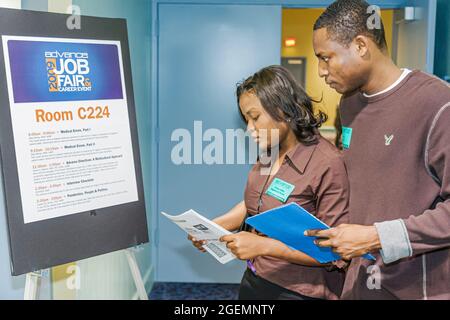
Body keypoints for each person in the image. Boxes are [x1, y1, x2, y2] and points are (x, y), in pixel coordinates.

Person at [306, 0, 450, 299]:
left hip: (415, 288)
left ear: (360, 45)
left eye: (326, 58)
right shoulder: (349, 104)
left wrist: (376, 237)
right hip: (361, 281)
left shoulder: (436, 103)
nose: (321, 71)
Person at [189, 65, 349, 300]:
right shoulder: (270, 151)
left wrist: (263, 246)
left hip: (299, 291)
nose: (249, 129)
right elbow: (255, 203)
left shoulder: (328, 163)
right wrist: (217, 226)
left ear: (283, 109)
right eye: (246, 119)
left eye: (255, 118)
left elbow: (335, 249)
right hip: (256, 278)